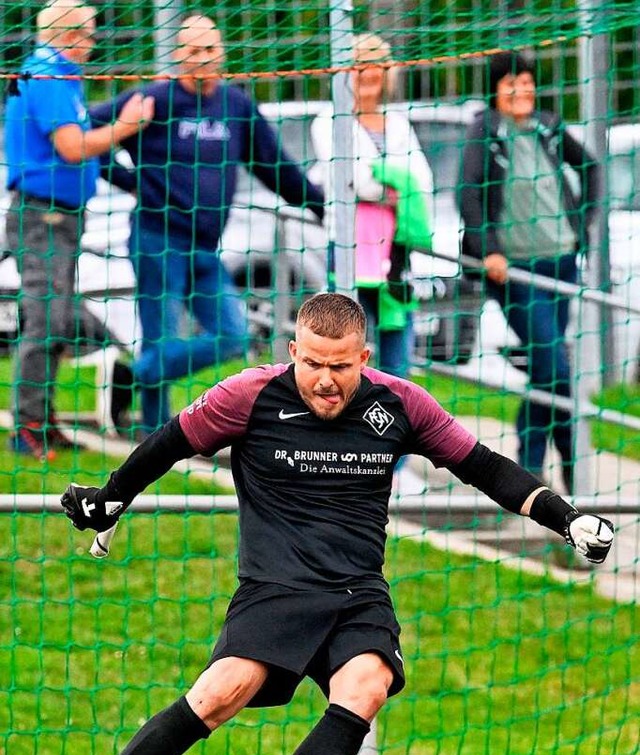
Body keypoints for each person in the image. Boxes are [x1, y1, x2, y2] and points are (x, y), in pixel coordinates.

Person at [11, 292, 614, 755]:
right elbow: (171, 441)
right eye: (314, 363)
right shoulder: (247, 395)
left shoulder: (401, 403)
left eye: (341, 366)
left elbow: (483, 466)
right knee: (223, 692)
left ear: (364, 357)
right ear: (293, 350)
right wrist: (111, 496)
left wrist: (568, 520)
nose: (326, 379)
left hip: (357, 590)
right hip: (276, 584)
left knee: (368, 684)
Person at [91, 14, 325, 435]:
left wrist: (321, 205)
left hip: (205, 244)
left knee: (231, 335)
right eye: (194, 51)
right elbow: (90, 129)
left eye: (211, 50)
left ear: (223, 54)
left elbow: (275, 167)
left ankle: (126, 377)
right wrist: (129, 181)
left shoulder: (237, 107)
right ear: (178, 56)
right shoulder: (153, 100)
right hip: (156, 236)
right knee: (160, 337)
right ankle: (154, 432)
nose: (204, 58)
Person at [5, 0, 154, 461]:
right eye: (88, 34)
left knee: (55, 317)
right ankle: (27, 426)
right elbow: (72, 147)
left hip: (61, 215)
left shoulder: (59, 76)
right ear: (70, 35)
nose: (92, 43)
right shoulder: (48, 72)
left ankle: (43, 421)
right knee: (46, 318)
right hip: (42, 215)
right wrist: (126, 126)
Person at [459, 51, 600, 494]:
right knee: (554, 363)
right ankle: (549, 467)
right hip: (515, 272)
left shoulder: (549, 125)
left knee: (549, 369)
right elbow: (467, 195)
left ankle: (538, 473)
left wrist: (583, 224)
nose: (520, 89)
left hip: (560, 263)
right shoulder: (485, 131)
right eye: (510, 82)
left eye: (526, 81)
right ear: (496, 89)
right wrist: (490, 250)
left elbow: (591, 168)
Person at [310, 33, 433, 379]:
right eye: (359, 66)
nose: (368, 74)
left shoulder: (399, 124)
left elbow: (422, 180)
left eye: (376, 66)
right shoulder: (329, 121)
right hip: (350, 247)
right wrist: (398, 185)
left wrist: (389, 182)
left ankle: (396, 423)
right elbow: (355, 180)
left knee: (397, 346)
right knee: (344, 347)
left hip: (395, 250)